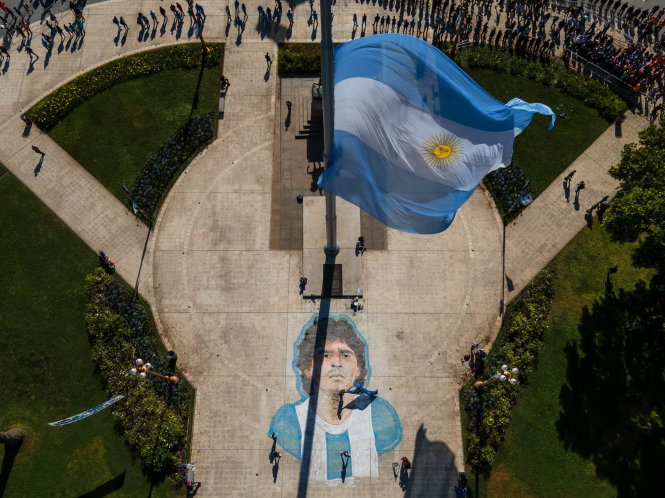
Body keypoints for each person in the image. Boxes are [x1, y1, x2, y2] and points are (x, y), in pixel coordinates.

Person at [268, 315, 402, 481]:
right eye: (325, 355)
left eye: (346, 355)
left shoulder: (382, 415)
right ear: (307, 369)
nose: (336, 362)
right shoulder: (287, 421)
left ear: (358, 368)